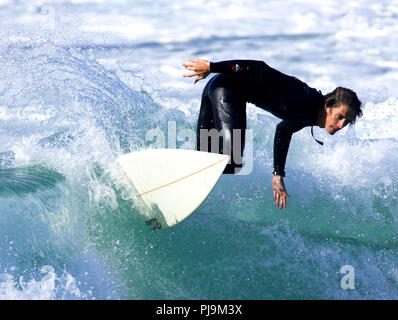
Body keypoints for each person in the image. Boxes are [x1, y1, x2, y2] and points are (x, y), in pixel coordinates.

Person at [182, 58, 362, 210]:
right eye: (340, 117)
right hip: (226, 89)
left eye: (346, 122)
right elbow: (261, 68)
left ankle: (178, 185)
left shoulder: (309, 115)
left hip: (220, 87)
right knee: (232, 160)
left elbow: (283, 130)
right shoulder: (303, 98)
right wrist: (212, 67)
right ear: (328, 106)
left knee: (205, 157)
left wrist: (278, 174)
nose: (340, 125)